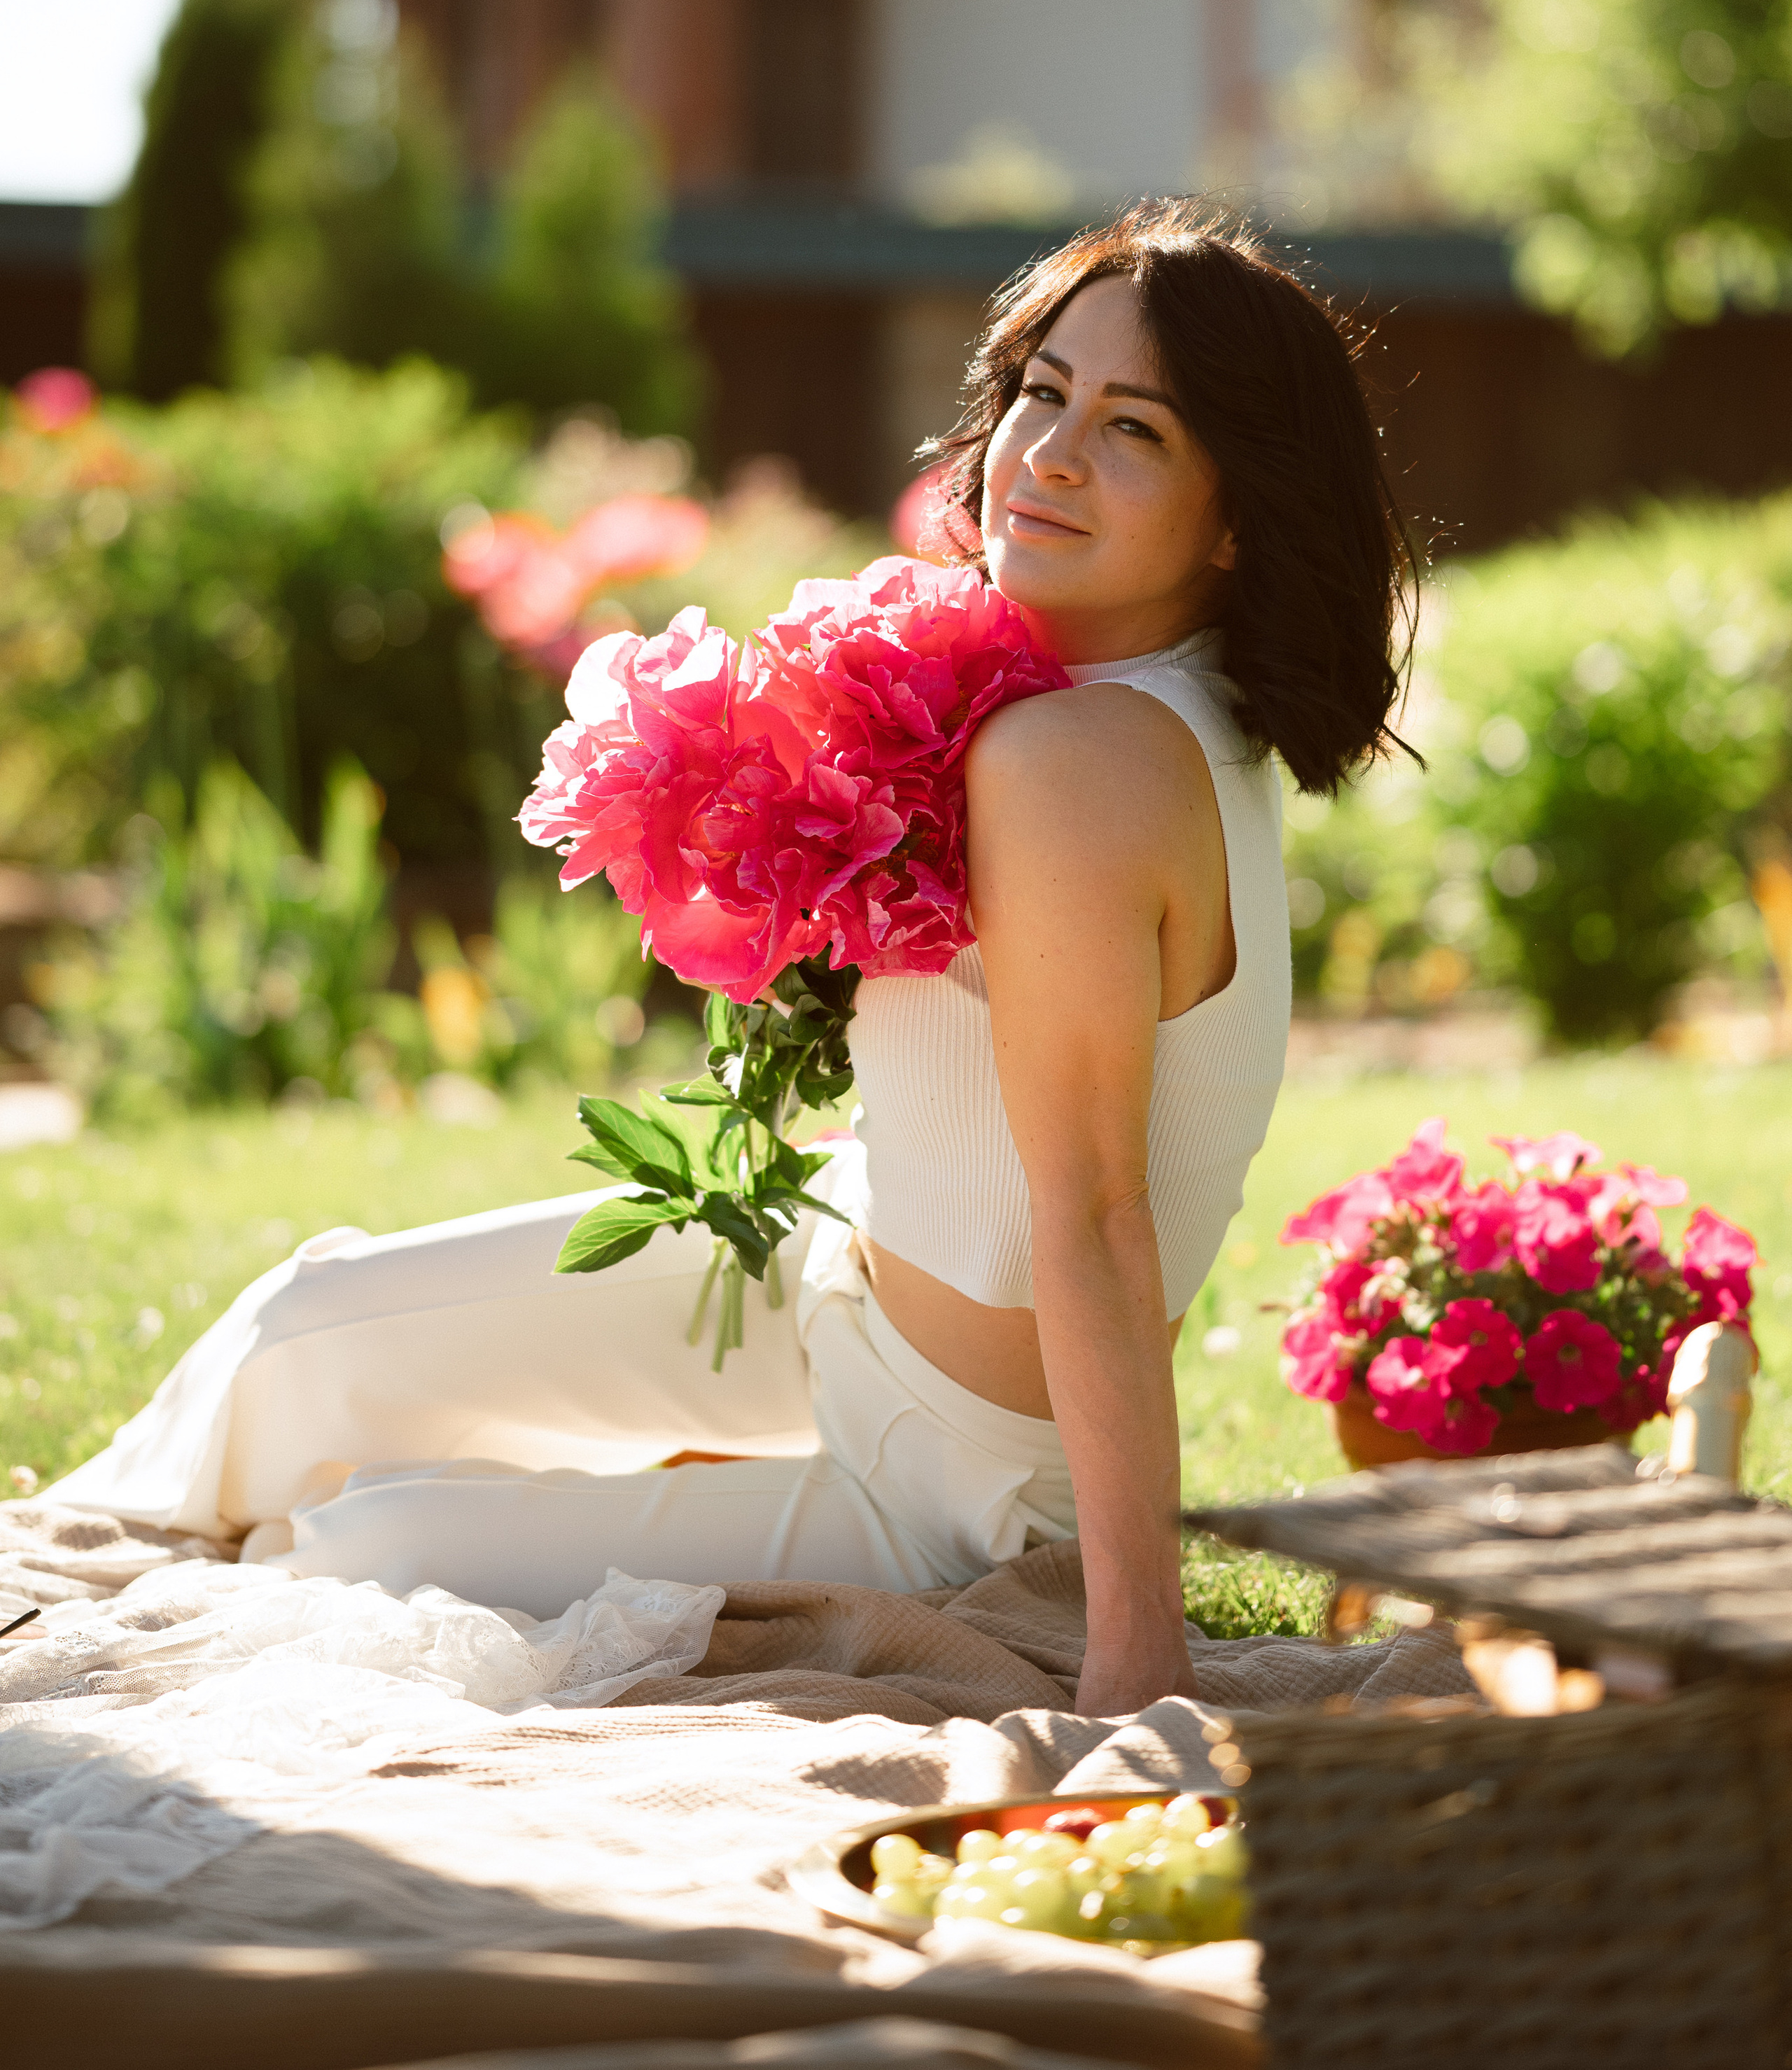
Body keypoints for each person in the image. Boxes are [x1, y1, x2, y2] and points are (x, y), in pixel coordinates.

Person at [50, 202, 1413, 1717]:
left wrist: (1136, 1642)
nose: (1050, 454)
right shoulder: (1099, 698)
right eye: (1043, 391)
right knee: (300, 1337)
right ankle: (77, 1546)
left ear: (1236, 515)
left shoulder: (1081, 758)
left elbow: (1096, 1206)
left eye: (1134, 428)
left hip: (946, 1466)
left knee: (351, 1561)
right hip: (825, 1277)